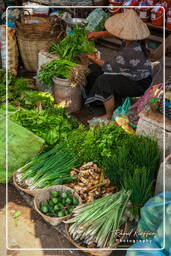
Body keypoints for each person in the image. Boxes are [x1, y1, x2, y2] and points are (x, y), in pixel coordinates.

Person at [84, 9, 152, 120]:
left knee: (104, 80)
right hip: (140, 75)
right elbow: (115, 34)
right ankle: (105, 99)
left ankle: (108, 115)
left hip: (138, 84)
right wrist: (98, 34)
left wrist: (92, 58)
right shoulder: (136, 38)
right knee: (95, 70)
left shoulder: (129, 52)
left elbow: (108, 66)